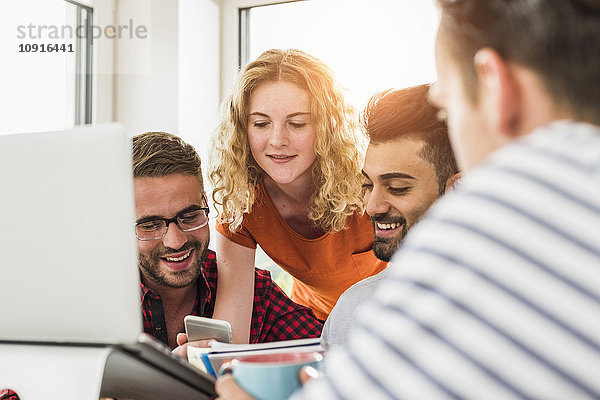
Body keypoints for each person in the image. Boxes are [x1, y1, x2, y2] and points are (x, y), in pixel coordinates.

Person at [217, 0, 600, 398]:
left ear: (496, 87)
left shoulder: (490, 230)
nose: (372, 206)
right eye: (261, 123)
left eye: (446, 104)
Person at [209, 49, 387, 342]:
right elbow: (231, 330)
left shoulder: (366, 184)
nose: (278, 140)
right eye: (261, 124)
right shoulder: (241, 205)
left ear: (326, 128)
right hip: (315, 327)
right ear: (243, 129)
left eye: (297, 123)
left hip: (389, 321)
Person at [131, 131, 322, 351]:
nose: (175, 241)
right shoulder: (96, 301)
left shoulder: (253, 292)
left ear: (205, 201)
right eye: (151, 225)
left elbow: (330, 359)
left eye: (189, 216)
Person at [321, 84, 459, 348]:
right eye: (368, 186)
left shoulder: (505, 305)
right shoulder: (355, 309)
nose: (372, 207)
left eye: (398, 188)